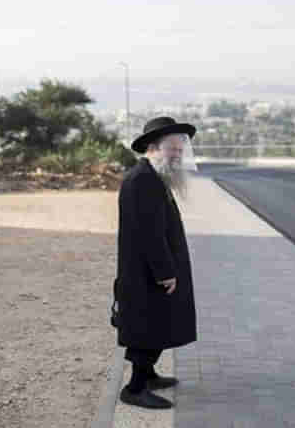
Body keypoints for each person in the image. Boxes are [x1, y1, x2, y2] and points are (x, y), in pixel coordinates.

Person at [114, 116, 198, 409]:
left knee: (160, 324)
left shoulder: (153, 176)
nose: (177, 154)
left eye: (180, 150)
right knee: (149, 327)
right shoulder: (142, 181)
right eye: (172, 149)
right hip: (147, 273)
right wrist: (165, 272)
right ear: (152, 147)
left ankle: (148, 376)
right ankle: (134, 389)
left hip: (152, 270)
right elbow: (149, 234)